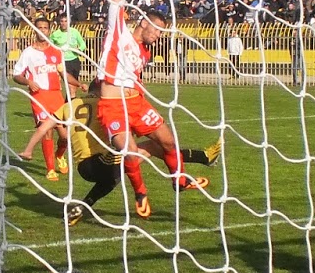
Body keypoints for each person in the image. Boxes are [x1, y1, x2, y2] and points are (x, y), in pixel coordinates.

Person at [96, 0, 210, 218]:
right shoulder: (119, 32)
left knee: (168, 141)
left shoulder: (146, 53)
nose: (159, 37)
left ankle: (178, 181)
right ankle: (140, 193)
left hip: (136, 103)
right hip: (112, 105)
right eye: (158, 31)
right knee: (130, 151)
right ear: (144, 23)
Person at [62, 86, 221, 225]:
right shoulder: (104, 104)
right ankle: (200, 161)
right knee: (155, 146)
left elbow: (55, 129)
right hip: (101, 160)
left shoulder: (73, 106)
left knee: (115, 177)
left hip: (84, 165)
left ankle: (81, 207)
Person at [12, 18, 74, 181]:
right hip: (39, 97)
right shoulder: (28, 52)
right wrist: (28, 82)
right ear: (34, 30)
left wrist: (78, 83)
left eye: (45, 28)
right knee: (46, 132)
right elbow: (16, 75)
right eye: (39, 28)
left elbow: (63, 73)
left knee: (65, 136)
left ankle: (60, 155)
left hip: (56, 96)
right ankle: (50, 169)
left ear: (49, 30)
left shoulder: (56, 51)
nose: (42, 30)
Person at [49, 15, 88, 84]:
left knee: (74, 82)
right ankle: (69, 94)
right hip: (63, 61)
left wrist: (79, 49)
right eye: (62, 21)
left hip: (74, 60)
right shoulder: (55, 34)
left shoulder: (74, 32)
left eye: (66, 21)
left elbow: (83, 44)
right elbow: (50, 46)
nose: (64, 23)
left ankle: (72, 95)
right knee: (68, 83)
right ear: (59, 22)